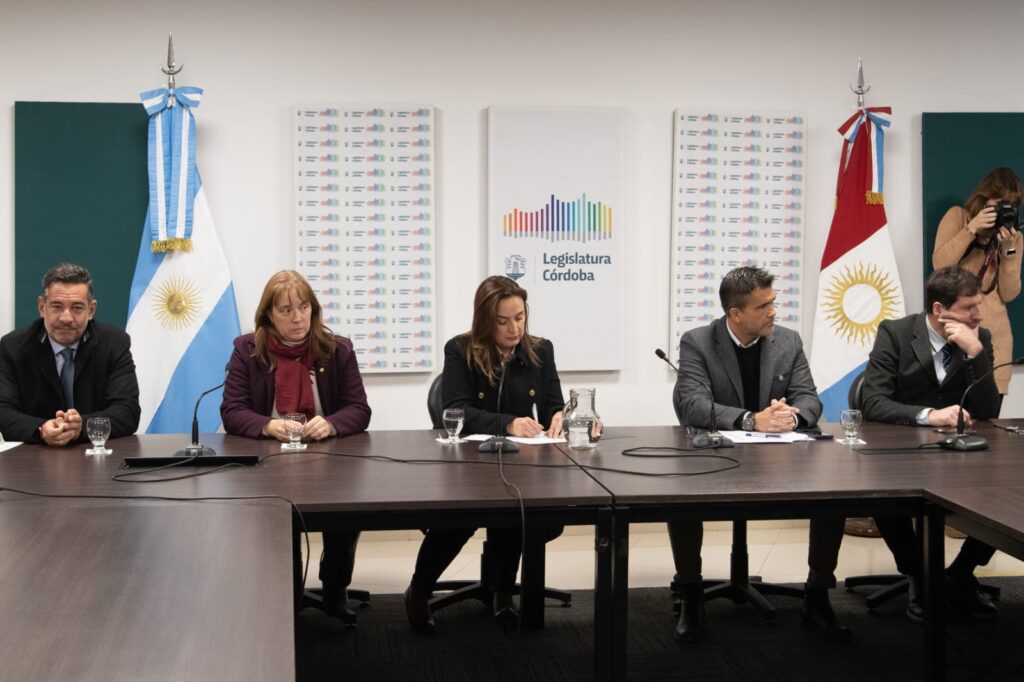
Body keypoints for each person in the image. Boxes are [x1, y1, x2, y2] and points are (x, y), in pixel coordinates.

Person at [667, 266, 850, 642]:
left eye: (774, 302)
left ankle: (818, 595)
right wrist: (752, 420)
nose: (773, 312)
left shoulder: (788, 341)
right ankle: (691, 594)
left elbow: (809, 398)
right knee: (680, 497)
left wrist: (790, 417)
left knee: (834, 494)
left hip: (779, 459)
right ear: (735, 314)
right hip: (717, 459)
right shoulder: (698, 342)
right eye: (764, 306)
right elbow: (693, 405)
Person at [404, 275, 564, 634]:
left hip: (520, 463)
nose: (514, 328)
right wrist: (508, 424)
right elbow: (457, 410)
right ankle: (419, 591)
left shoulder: (541, 350)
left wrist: (560, 416)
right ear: (485, 319)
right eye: (503, 321)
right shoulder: (460, 350)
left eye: (519, 317)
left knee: (520, 511)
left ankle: (503, 594)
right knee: (459, 518)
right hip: (469, 464)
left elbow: (554, 404)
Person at [220, 270, 371, 617]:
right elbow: (232, 411)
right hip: (269, 464)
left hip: (329, 462)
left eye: (303, 307)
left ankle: (335, 586)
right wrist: (269, 425)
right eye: (286, 310)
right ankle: (286, 595)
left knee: (346, 512)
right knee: (279, 520)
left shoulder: (337, 349)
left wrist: (331, 423)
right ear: (268, 315)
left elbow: (359, 409)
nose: (298, 317)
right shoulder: (247, 351)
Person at [862, 266, 1000, 621]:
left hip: (960, 452)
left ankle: (959, 573)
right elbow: (872, 402)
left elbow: (988, 411)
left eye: (979, 305)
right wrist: (929, 415)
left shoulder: (980, 336)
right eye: (969, 307)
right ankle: (919, 575)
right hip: (900, 450)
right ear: (939, 309)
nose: (978, 315)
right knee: (883, 495)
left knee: (1007, 491)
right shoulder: (896, 333)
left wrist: (976, 353)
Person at [0, 263, 140, 445]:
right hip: (34, 455)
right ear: (42, 307)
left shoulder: (113, 343)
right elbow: (4, 411)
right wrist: (41, 429)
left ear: (91, 310)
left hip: (96, 454)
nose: (66, 318)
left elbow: (127, 411)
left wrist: (81, 427)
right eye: (57, 306)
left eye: (77, 308)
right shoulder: (13, 347)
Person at [933, 167, 1023, 407]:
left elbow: (1009, 293)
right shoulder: (959, 217)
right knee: (948, 417)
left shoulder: (1014, 237)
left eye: (1012, 204)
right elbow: (940, 265)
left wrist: (1008, 251)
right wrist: (971, 229)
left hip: (995, 341)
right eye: (1000, 202)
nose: (1005, 209)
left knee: (988, 422)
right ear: (984, 199)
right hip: (952, 336)